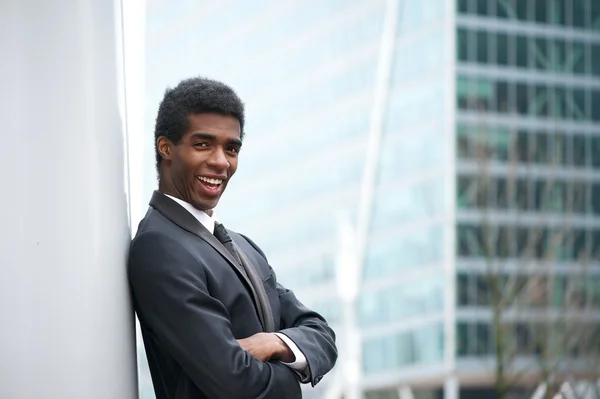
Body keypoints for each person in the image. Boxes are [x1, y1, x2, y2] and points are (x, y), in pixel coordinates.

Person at [128, 77, 338, 399]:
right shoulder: (159, 247)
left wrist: (274, 343)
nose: (221, 162)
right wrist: (291, 370)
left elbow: (322, 334)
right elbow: (234, 381)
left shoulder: (243, 245)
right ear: (165, 147)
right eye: (203, 144)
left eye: (231, 148)